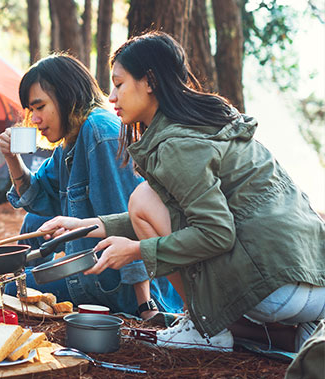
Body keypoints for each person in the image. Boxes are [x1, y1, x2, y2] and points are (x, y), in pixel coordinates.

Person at [43, 31, 324, 352]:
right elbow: (174, 213)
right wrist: (88, 226)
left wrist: (136, 251)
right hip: (312, 284)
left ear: (149, 81)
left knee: (143, 198)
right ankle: (295, 330)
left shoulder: (178, 144)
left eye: (119, 84)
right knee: (147, 200)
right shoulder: (204, 124)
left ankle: (205, 329)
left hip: (273, 290)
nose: (111, 97)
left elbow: (217, 234)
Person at [0, 53, 182, 320]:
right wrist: (12, 159)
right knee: (34, 220)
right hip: (93, 270)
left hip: (116, 284)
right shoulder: (71, 141)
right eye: (31, 111)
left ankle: (19, 281)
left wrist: (145, 307)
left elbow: (130, 218)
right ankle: (21, 277)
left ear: (66, 96)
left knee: (9, 290)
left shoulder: (99, 133)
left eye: (40, 107)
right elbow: (37, 197)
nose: (35, 119)